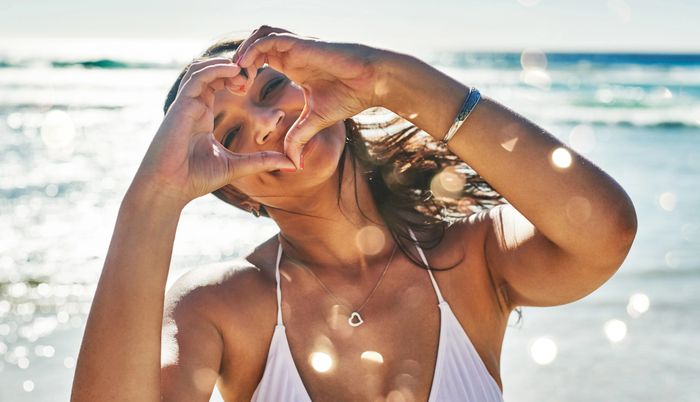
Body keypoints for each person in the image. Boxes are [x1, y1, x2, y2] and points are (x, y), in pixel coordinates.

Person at [70, 26, 638, 402]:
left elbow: (605, 233)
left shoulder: (470, 254)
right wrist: (156, 196)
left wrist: (388, 80)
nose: (267, 121)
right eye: (234, 134)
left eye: (270, 87)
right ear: (239, 193)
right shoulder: (218, 305)